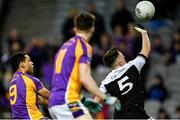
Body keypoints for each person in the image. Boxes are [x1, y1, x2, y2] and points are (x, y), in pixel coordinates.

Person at [48, 12, 120, 119]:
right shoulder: (83, 46)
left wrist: (83, 100)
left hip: (54, 102)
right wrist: (105, 98)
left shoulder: (64, 47)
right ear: (92, 29)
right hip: (67, 102)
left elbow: (63, 81)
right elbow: (85, 78)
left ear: (75, 28)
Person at [94, 25, 151, 119]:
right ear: (120, 61)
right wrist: (144, 33)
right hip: (137, 115)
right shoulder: (133, 66)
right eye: (122, 55)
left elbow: (96, 99)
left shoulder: (106, 82)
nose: (124, 56)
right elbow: (146, 49)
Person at [9, 52, 50, 119]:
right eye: (29, 61)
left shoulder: (12, 82)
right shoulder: (29, 80)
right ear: (22, 64)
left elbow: (39, 100)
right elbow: (49, 96)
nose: (32, 63)